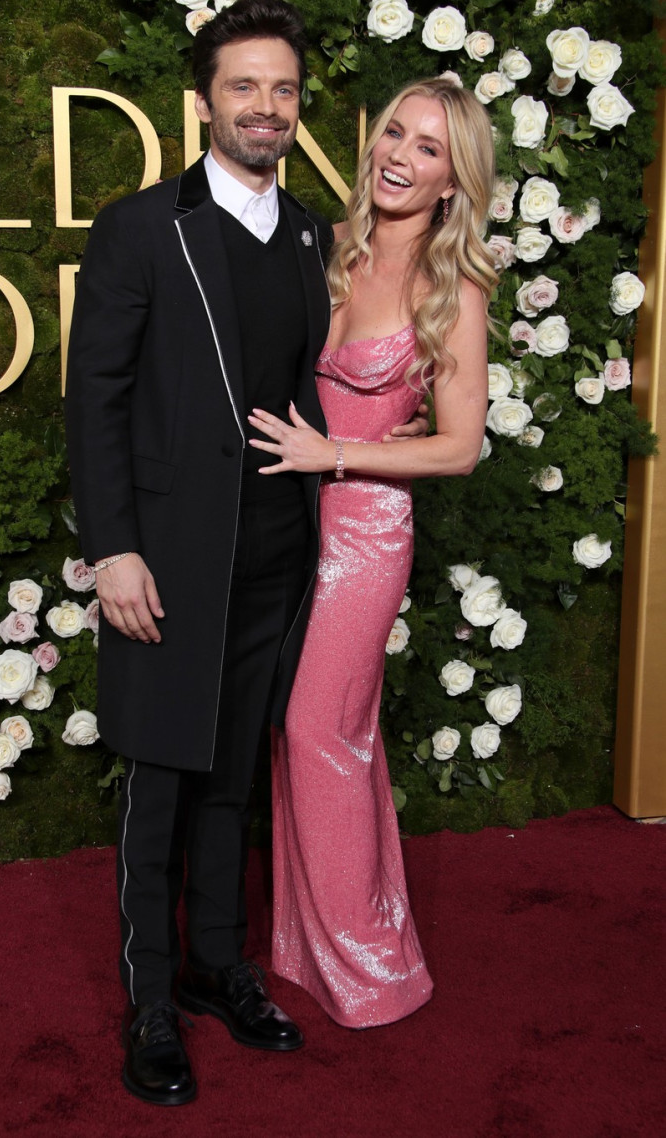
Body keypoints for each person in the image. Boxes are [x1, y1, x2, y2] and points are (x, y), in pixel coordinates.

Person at [64, 0, 426, 1105]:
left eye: (283, 89)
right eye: (243, 87)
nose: (265, 106)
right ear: (204, 101)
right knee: (162, 774)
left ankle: (217, 965)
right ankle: (151, 1000)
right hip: (168, 556)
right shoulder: (141, 227)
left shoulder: (316, 237)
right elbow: (95, 399)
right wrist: (114, 551)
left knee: (231, 775)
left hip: (282, 551)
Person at [248, 77, 497, 1028]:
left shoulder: (452, 287)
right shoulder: (324, 246)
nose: (400, 155)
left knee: (322, 729)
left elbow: (461, 447)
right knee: (301, 731)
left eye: (429, 148)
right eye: (395, 132)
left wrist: (339, 454)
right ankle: (307, 945)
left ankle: (370, 970)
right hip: (285, 517)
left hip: (363, 535)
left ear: (452, 180)